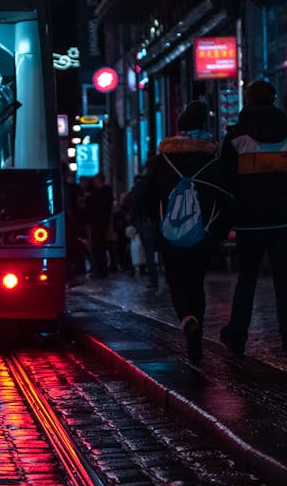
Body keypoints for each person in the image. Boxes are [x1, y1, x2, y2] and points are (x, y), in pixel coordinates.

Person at [218, 80, 287, 359]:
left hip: (249, 222)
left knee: (247, 279)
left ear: (248, 101)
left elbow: (224, 184)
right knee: (284, 281)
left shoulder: (236, 138)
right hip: (286, 221)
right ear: (274, 99)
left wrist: (224, 222)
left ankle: (238, 336)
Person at [136, 100, 233, 361]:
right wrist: (219, 231)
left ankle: (186, 319)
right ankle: (197, 333)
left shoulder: (163, 159)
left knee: (176, 282)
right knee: (196, 282)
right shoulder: (211, 158)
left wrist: (154, 223)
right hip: (203, 234)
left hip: (170, 234)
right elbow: (226, 197)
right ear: (203, 125)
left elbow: (144, 194)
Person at [127, 169, 160, 291]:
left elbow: (134, 206)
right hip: (156, 221)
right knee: (160, 250)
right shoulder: (156, 185)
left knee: (149, 252)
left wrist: (132, 221)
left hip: (144, 222)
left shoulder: (140, 186)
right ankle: (165, 277)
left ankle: (153, 280)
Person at [85, 173, 114, 278]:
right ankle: (100, 269)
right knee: (97, 247)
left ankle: (102, 269)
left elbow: (102, 205)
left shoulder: (104, 191)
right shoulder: (96, 192)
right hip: (96, 222)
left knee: (100, 247)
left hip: (101, 222)